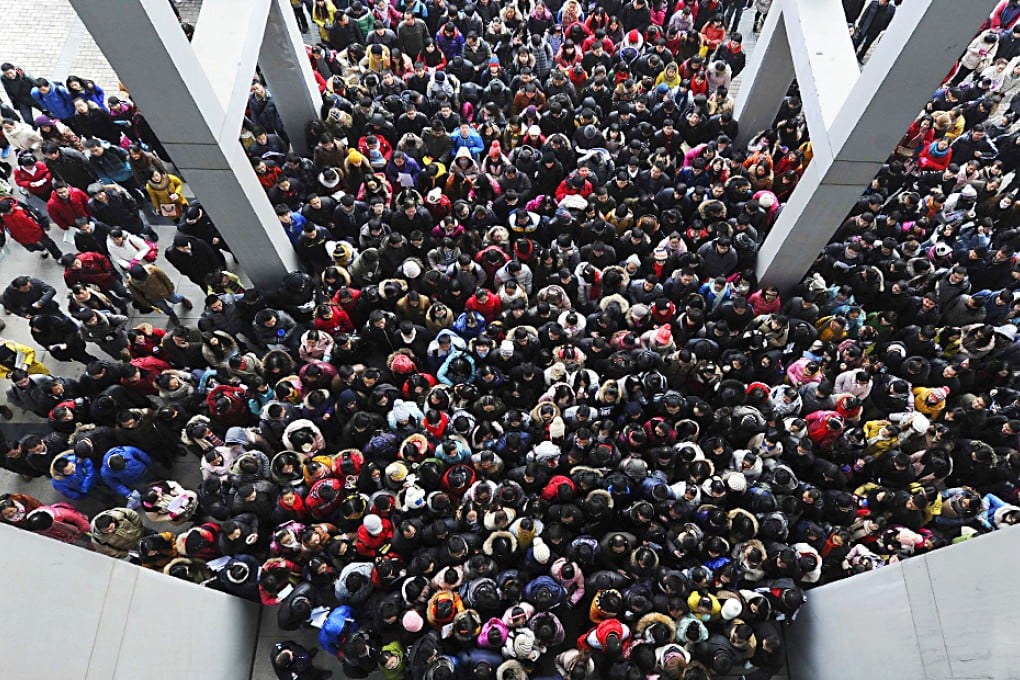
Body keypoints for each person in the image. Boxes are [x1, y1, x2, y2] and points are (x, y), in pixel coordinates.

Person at [126, 263, 194, 327]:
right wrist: (147, 304)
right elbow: (137, 295)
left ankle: (182, 299)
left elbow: (164, 277)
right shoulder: (131, 284)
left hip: (165, 291)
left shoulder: (152, 269)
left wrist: (170, 287)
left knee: (175, 299)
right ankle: (172, 315)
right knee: (165, 309)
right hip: (153, 298)